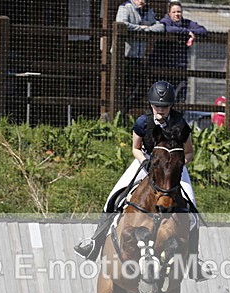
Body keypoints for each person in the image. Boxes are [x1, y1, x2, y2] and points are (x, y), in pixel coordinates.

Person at [74, 81, 211, 281]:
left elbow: (189, 152)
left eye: (164, 106)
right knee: (114, 197)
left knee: (192, 212)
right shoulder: (142, 123)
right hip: (145, 162)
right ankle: (94, 242)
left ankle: (194, 260)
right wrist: (145, 163)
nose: (161, 110)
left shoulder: (180, 124)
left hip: (172, 168)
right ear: (151, 105)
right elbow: (135, 148)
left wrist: (178, 166)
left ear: (171, 106)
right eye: (157, 106)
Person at [115, 0, 164, 113]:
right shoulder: (125, 8)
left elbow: (160, 26)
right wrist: (141, 28)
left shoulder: (148, 10)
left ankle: (123, 110)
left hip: (139, 57)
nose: (142, 1)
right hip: (123, 56)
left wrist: (147, 29)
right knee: (122, 87)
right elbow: (122, 25)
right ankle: (119, 112)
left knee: (141, 88)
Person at [156, 0, 207, 103]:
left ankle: (178, 117)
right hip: (165, 66)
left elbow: (203, 30)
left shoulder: (186, 23)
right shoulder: (165, 22)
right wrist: (186, 32)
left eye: (179, 12)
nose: (177, 14)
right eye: (174, 12)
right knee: (165, 95)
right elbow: (167, 29)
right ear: (169, 13)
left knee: (180, 95)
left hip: (181, 65)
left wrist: (191, 31)